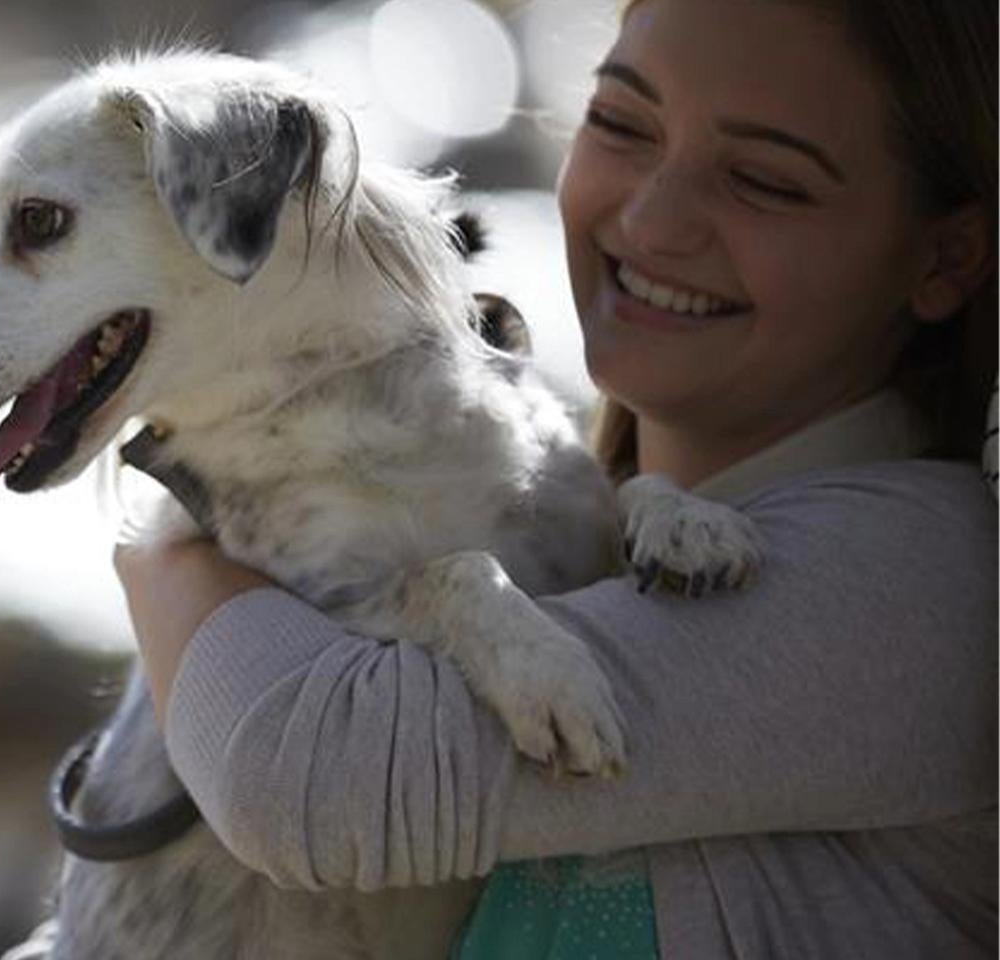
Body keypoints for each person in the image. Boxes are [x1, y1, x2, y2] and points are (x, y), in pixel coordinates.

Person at [111, 0, 998, 956]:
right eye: (620, 123)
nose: (652, 221)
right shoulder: (569, 520)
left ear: (945, 256)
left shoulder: (921, 581)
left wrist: (166, 557)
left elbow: (317, 776)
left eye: (764, 182)